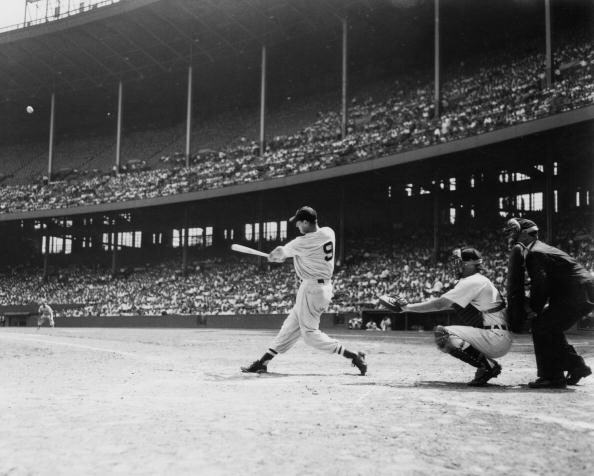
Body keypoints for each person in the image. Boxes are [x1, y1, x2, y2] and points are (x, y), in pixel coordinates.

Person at [241, 206, 367, 375]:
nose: (297, 226)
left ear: (306, 222)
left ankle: (353, 356)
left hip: (312, 289)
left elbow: (281, 252)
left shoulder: (302, 242)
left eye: (299, 222)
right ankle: (263, 362)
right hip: (321, 287)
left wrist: (273, 256)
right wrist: (280, 255)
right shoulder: (329, 232)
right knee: (290, 326)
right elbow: (289, 253)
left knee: (309, 334)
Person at [378, 247, 512, 386]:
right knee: (448, 328)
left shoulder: (473, 281)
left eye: (459, 261)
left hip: (495, 337)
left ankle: (488, 366)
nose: (456, 265)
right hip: (496, 334)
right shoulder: (478, 280)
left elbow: (440, 304)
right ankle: (486, 365)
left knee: (443, 334)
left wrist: (406, 308)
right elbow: (449, 304)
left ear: (470, 263)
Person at [504, 217, 593, 388]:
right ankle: (577, 367)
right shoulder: (539, 248)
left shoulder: (534, 253)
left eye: (514, 231)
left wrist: (534, 309)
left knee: (541, 326)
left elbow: (541, 285)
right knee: (549, 327)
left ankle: (552, 377)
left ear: (524, 234)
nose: (511, 235)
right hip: (577, 291)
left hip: (577, 293)